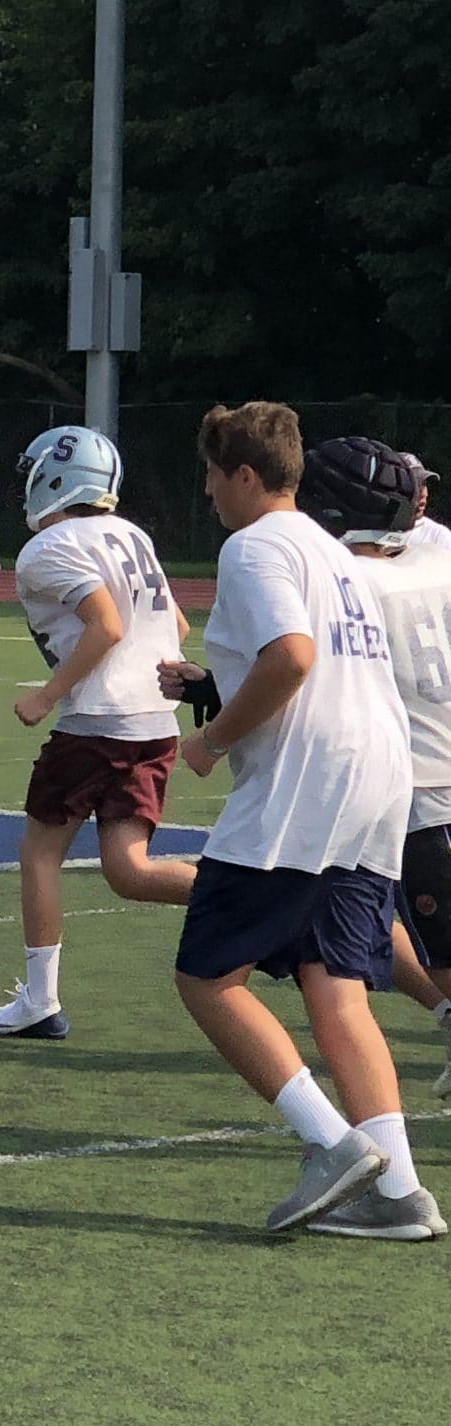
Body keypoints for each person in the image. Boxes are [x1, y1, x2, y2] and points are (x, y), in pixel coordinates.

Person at [159, 401, 439, 1239]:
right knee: (336, 987)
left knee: (209, 977)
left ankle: (330, 1144)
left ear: (246, 475)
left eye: (214, 475)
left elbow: (292, 657)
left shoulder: (254, 545)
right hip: (381, 777)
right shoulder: (334, 550)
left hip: (308, 785)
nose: (208, 491)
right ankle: (401, 1193)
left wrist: (211, 738)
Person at [0, 425, 197, 1040]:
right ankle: (255, 896)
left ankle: (40, 999)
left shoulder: (47, 547)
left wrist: (47, 695)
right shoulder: (132, 534)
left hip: (96, 725)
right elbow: (177, 625)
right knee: (129, 871)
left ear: (54, 477)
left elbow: (105, 625)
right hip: (154, 723)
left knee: (40, 854)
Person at [295, 437, 451, 1103]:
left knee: (439, 948)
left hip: (420, 785)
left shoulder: (348, 581)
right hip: (416, 777)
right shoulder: (436, 554)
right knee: (359, 907)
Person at [402, 452, 451, 551]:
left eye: (424, 484)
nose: (424, 494)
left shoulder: (438, 537)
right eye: (415, 485)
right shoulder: (371, 532)